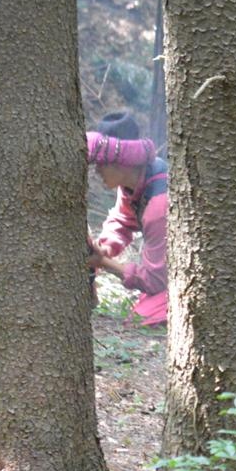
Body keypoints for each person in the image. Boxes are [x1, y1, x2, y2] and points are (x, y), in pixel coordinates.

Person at [85, 111, 168, 327]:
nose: (96, 171)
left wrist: (104, 263)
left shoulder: (158, 207)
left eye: (101, 163)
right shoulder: (133, 182)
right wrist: (105, 248)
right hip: (168, 277)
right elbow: (122, 221)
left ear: (122, 162)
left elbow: (156, 280)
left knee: (143, 318)